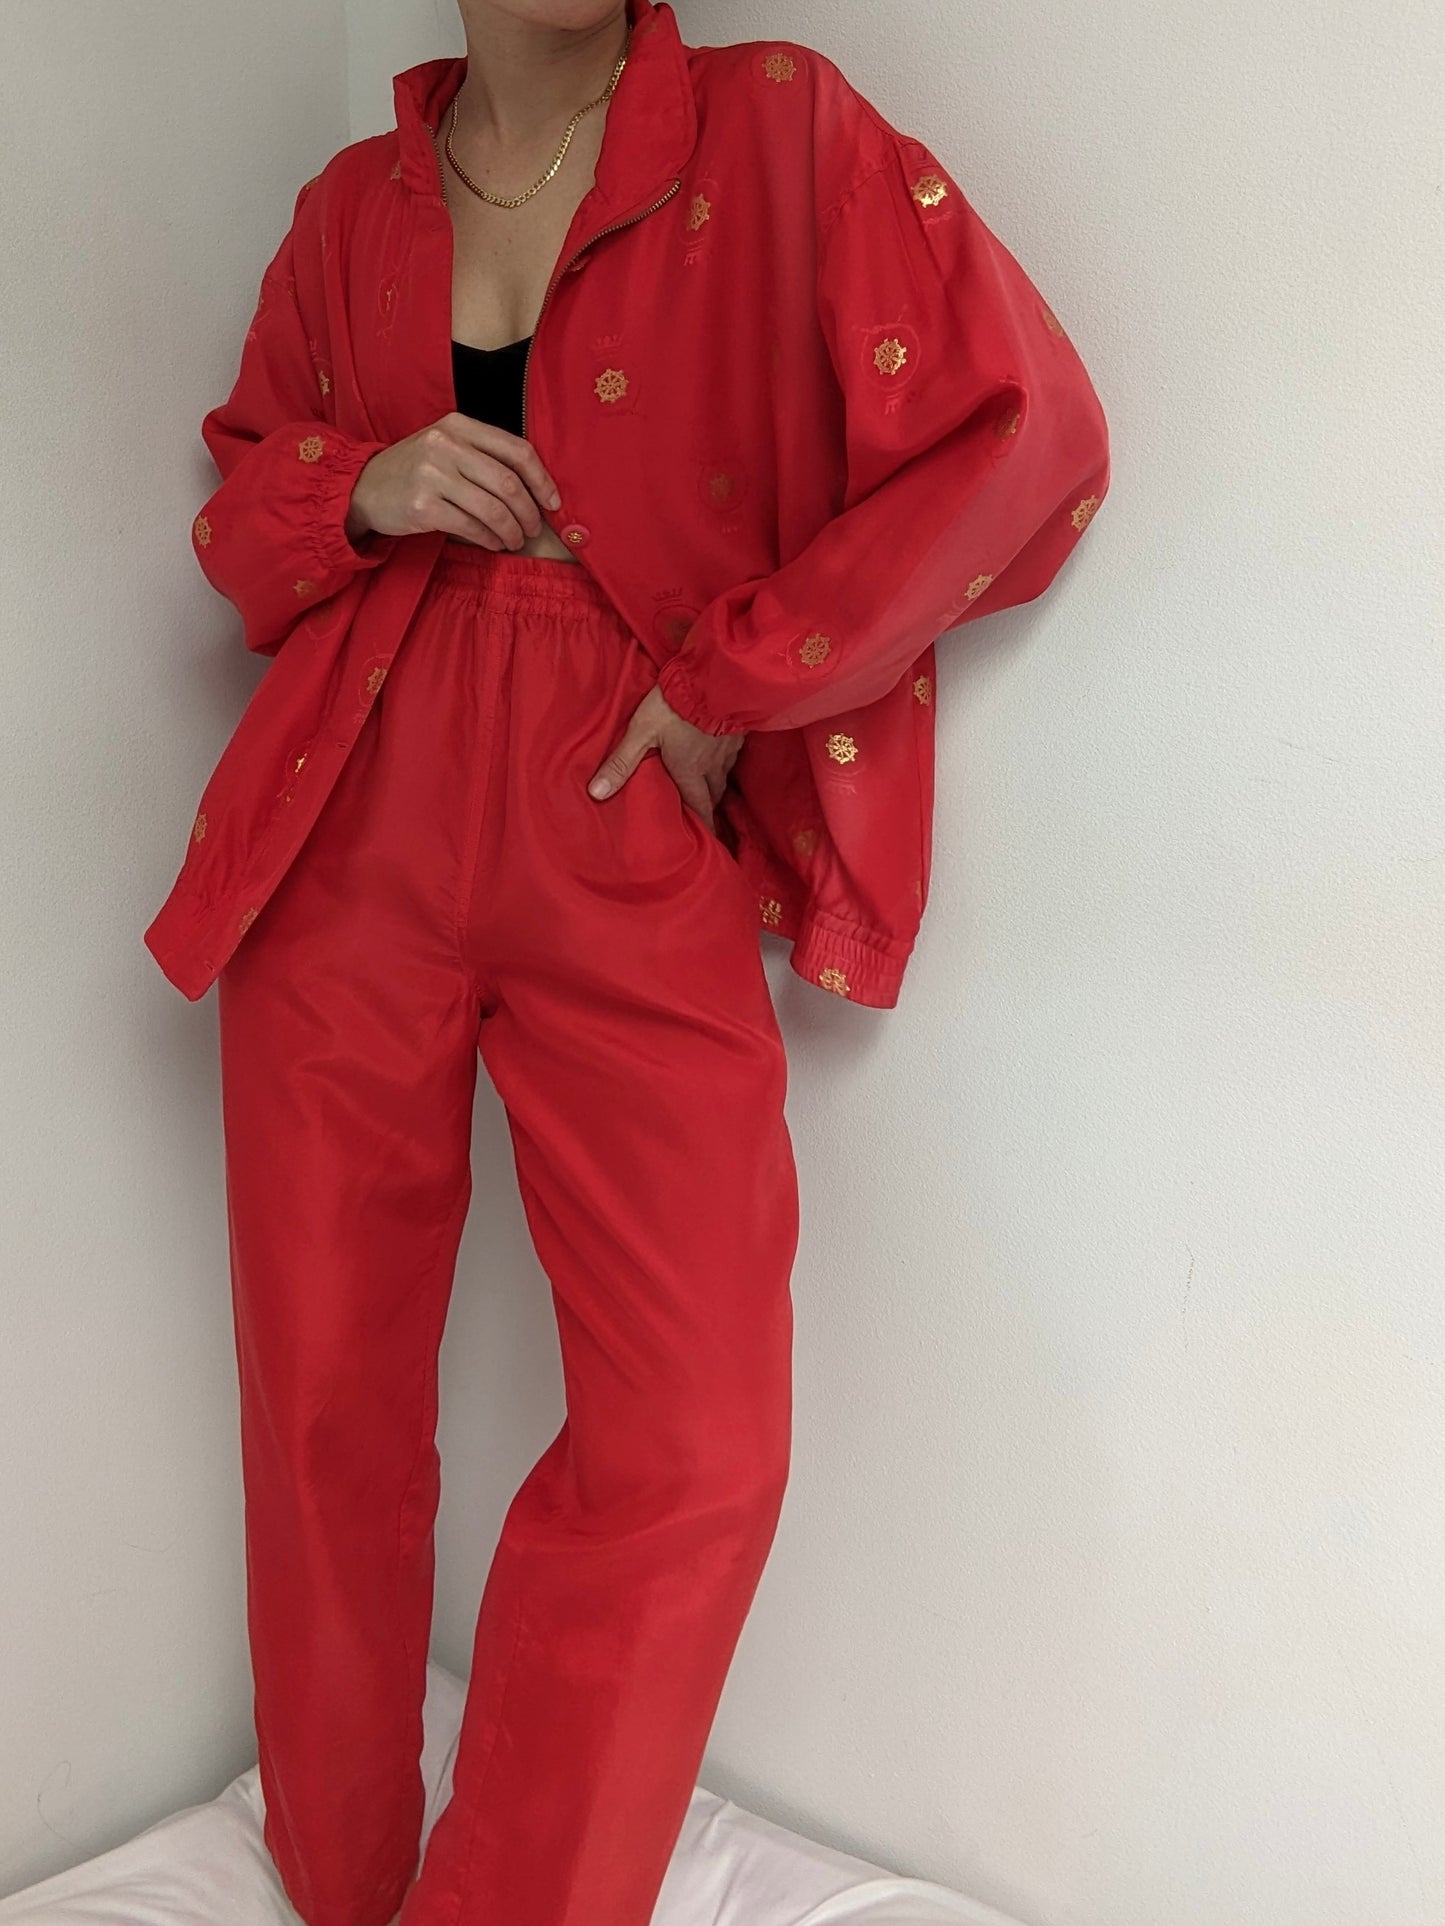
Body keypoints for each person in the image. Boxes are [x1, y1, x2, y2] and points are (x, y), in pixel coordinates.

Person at [143, 3, 1110, 1923]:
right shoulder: (348, 209)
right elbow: (240, 539)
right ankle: (339, 1870)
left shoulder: (776, 131)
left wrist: (740, 675)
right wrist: (361, 484)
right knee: (321, 1392)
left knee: (696, 1430)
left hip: (620, 797)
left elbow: (1027, 437)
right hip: (352, 805)